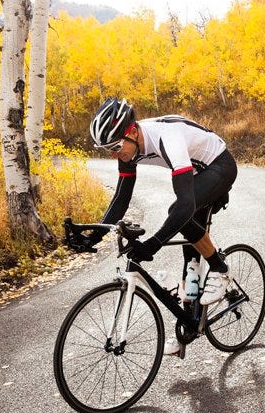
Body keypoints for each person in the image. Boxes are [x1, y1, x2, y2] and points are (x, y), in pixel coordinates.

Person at [86, 97, 237, 352]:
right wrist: (94, 236)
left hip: (219, 166)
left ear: (132, 131)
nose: (114, 154)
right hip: (196, 172)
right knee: (190, 258)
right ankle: (189, 323)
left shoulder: (167, 137)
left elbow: (185, 206)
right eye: (106, 150)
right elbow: (121, 198)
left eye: (115, 146)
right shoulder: (128, 145)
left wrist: (153, 244)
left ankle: (221, 269)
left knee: (180, 212)